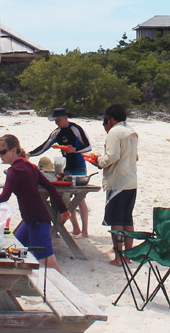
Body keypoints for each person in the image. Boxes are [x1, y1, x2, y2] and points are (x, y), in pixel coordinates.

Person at [0, 134, 70, 274]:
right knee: (14, 251)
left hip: (37, 222)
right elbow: (50, 188)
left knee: (50, 264)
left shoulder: (13, 171)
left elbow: (5, 196)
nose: (0, 156)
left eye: (3, 152)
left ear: (13, 150)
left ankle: (69, 293)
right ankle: (15, 286)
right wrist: (63, 209)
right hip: (30, 221)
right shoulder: (30, 166)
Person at [29, 108, 92, 237]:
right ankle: (76, 228)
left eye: (59, 120)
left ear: (65, 117)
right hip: (66, 168)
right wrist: (30, 154)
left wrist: (74, 150)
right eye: (55, 121)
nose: (57, 123)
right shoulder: (56, 133)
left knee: (80, 199)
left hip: (79, 167)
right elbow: (44, 146)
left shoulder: (75, 129)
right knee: (67, 199)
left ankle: (85, 231)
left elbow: (88, 146)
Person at [92, 103, 138, 266]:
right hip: (131, 181)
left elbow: (112, 156)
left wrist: (98, 161)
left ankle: (118, 257)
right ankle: (127, 255)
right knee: (127, 219)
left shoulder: (115, 132)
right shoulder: (131, 131)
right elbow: (135, 157)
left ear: (110, 119)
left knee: (116, 221)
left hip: (118, 181)